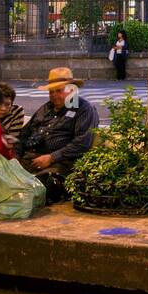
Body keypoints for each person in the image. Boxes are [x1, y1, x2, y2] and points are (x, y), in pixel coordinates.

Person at [16, 68, 99, 202]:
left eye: (59, 91)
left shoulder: (83, 109)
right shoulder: (45, 108)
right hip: (28, 160)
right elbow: (23, 135)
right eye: (51, 92)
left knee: (44, 184)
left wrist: (51, 157)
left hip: (57, 164)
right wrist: (15, 157)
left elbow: (82, 142)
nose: (54, 95)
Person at [0, 83, 26, 150]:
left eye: (7, 104)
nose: (3, 108)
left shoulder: (16, 111)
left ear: (12, 103)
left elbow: (11, 141)